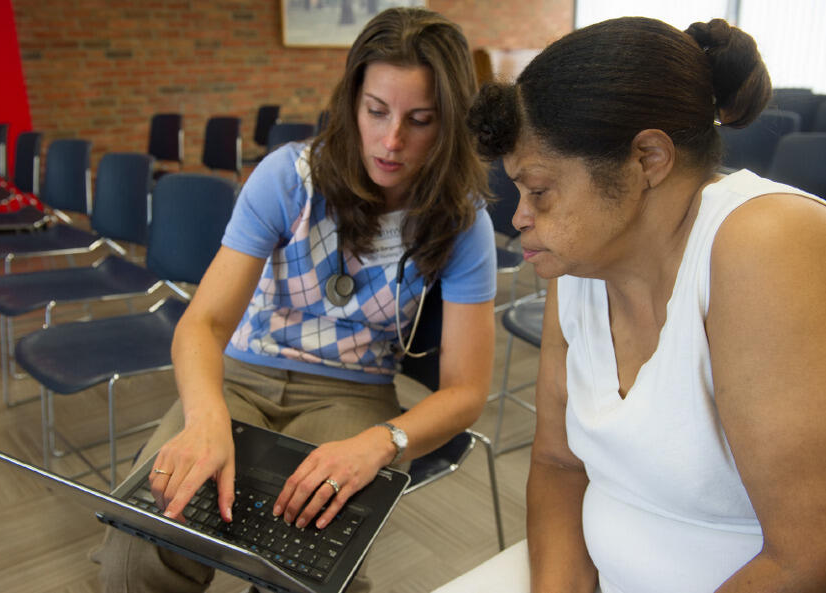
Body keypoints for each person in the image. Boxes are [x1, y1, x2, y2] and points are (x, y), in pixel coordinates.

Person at [90, 6, 496, 593]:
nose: (391, 140)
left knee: (308, 565)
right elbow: (202, 324)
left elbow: (465, 391)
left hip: (352, 393)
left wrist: (381, 444)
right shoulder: (289, 177)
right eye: (376, 111)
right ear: (353, 100)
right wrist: (205, 420)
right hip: (239, 375)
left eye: (421, 120)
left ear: (451, 121)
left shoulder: (462, 222)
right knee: (143, 547)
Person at [466, 16, 826, 593]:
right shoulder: (582, 259)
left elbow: (806, 556)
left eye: (539, 190)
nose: (519, 219)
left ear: (648, 160)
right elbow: (558, 464)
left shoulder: (763, 241)